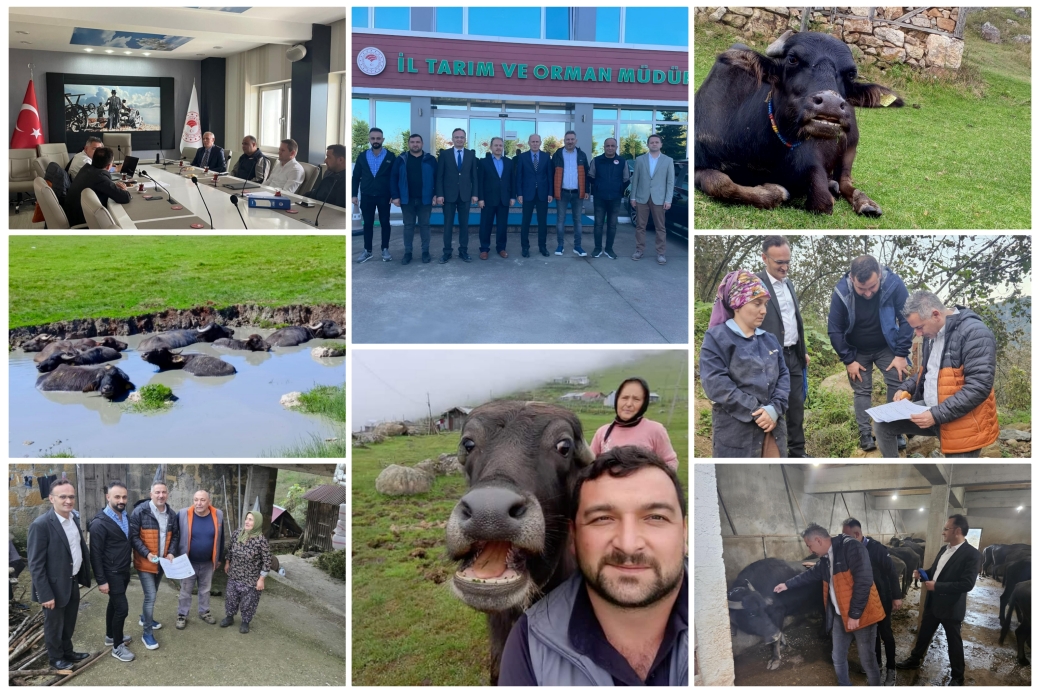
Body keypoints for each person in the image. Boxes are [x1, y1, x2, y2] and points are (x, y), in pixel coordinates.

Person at [499, 446, 688, 685]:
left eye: (655, 517)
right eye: (602, 519)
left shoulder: (720, 612)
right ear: (573, 537)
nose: (628, 545)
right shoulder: (530, 643)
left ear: (684, 532)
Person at [875, 291, 999, 458]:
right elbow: (928, 371)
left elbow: (979, 388)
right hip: (931, 410)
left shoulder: (974, 333)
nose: (918, 334)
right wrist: (906, 388)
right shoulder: (931, 334)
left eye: (919, 327)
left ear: (935, 315)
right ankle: (894, 471)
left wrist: (936, 415)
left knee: (955, 480)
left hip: (962, 423)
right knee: (882, 423)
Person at [774, 523, 885, 686]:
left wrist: (855, 614)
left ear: (818, 540)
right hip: (840, 616)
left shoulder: (851, 547)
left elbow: (864, 581)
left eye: (809, 546)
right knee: (838, 657)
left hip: (862, 616)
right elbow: (810, 575)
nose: (810, 551)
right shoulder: (826, 559)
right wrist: (787, 584)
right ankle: (844, 685)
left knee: (867, 659)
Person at [699, 270, 790, 457]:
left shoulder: (770, 340)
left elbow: (783, 375)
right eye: (757, 303)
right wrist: (756, 411)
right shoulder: (717, 339)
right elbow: (716, 383)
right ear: (737, 304)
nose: (764, 310)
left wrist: (774, 408)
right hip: (736, 432)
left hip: (772, 428)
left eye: (765, 304)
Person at [828, 255, 914, 452]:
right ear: (852, 278)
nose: (867, 293)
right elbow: (834, 330)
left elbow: (907, 319)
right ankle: (865, 433)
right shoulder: (841, 292)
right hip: (857, 349)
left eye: (872, 287)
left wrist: (901, 355)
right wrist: (848, 360)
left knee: (897, 377)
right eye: (861, 288)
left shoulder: (893, 283)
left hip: (886, 345)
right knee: (861, 388)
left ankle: (895, 429)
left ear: (879, 276)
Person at [896, 515, 982, 686]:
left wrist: (938, 586)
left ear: (957, 531)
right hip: (933, 603)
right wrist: (923, 574)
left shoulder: (972, 555)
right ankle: (914, 659)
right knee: (924, 634)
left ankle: (958, 676)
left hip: (950, 607)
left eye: (946, 529)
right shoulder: (944, 550)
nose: (943, 532)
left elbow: (967, 584)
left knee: (953, 642)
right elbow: (935, 571)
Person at [26, 480, 92, 670]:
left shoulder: (73, 519)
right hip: (52, 586)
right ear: (51, 498)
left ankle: (68, 652)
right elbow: (35, 565)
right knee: (54, 626)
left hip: (71, 581)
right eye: (62, 496)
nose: (68, 500)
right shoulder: (41, 525)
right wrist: (45, 594)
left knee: (69, 621)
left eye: (71, 496)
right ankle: (56, 659)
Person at [756, 236, 811, 458]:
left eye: (787, 261)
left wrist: (802, 350)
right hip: (767, 358)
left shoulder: (789, 284)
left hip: (793, 355)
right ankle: (774, 454)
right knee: (771, 406)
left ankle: (797, 452)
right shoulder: (756, 284)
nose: (785, 267)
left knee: (796, 405)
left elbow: (794, 319)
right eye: (779, 262)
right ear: (764, 258)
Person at [841, 518, 901, 685]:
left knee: (886, 634)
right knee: (872, 635)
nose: (844, 540)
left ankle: (891, 669)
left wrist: (897, 596)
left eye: (847, 536)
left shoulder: (877, 549)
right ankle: (878, 664)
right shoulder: (850, 550)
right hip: (865, 600)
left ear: (857, 534)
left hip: (882, 598)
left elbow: (892, 572)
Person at [88, 481, 135, 662]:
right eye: (117, 497)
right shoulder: (99, 524)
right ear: (108, 497)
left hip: (123, 571)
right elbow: (95, 555)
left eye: (124, 497)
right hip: (111, 573)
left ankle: (110, 635)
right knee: (122, 609)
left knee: (114, 605)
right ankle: (117, 646)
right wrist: (101, 580)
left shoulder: (125, 517)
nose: (121, 500)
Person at [129, 481, 178, 651]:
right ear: (151, 494)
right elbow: (133, 537)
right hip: (145, 562)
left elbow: (175, 536)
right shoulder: (140, 511)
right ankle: (147, 633)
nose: (160, 495)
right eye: (157, 492)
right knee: (150, 596)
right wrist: (147, 553)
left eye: (164, 492)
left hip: (162, 563)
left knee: (153, 593)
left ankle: (145, 617)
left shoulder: (171, 514)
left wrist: (171, 552)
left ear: (167, 494)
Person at [591, 377, 678, 469]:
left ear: (644, 403)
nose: (629, 404)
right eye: (624, 398)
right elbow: (589, 463)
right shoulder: (602, 432)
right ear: (617, 400)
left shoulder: (655, 430)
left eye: (636, 399)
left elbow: (670, 462)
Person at [175, 490, 225, 631]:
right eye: (196, 499)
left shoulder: (218, 514)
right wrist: (173, 554)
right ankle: (182, 614)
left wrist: (218, 557)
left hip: (208, 562)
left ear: (209, 502)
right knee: (185, 590)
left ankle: (204, 612)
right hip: (188, 561)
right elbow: (173, 534)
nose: (199, 503)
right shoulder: (183, 514)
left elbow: (221, 538)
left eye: (202, 500)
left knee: (205, 590)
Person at [221, 510, 272, 634]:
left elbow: (267, 562)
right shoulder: (238, 533)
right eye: (246, 519)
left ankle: (245, 621)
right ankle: (229, 617)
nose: (247, 522)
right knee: (231, 598)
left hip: (251, 579)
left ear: (257, 523)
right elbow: (230, 549)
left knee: (248, 602)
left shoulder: (261, 541)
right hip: (234, 574)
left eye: (251, 520)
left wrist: (261, 579)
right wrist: (227, 562)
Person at [390, 134, 437, 265]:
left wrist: (436, 194)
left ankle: (425, 252)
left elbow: (437, 178)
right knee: (408, 226)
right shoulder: (401, 159)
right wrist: (395, 196)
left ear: (422, 144)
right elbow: (393, 178)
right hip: (407, 199)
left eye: (417, 142)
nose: (415, 144)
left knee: (425, 226)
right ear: (408, 144)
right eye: (412, 142)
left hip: (425, 199)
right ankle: (408, 252)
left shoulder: (430, 159)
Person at [434, 127, 479, 264]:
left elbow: (474, 177)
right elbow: (439, 176)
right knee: (448, 224)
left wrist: (475, 194)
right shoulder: (445, 154)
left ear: (465, 139)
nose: (459, 139)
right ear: (452, 139)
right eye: (457, 137)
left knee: (464, 225)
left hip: (465, 195)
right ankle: (447, 252)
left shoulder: (471, 155)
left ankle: (463, 251)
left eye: (462, 137)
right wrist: (439, 194)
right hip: (448, 196)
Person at [351, 128, 396, 263]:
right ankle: (367, 251)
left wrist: (394, 194)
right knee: (368, 224)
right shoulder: (362, 156)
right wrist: (354, 195)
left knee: (385, 223)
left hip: (384, 196)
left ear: (382, 140)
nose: (375, 141)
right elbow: (356, 177)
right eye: (373, 138)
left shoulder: (390, 156)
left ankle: (385, 249)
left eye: (378, 138)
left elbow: (394, 177)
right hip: (367, 196)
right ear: (369, 140)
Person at [629, 134, 675, 265]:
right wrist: (633, 197)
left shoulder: (668, 160)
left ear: (661, 144)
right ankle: (639, 250)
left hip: (660, 199)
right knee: (640, 226)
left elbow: (670, 182)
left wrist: (668, 200)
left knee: (660, 227)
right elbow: (635, 180)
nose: (654, 144)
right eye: (651, 142)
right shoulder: (640, 160)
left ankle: (661, 253)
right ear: (648, 144)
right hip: (641, 198)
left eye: (656, 142)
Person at [63, 146, 132, 227]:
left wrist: (111, 186)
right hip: (81, 223)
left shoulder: (86, 169)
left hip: (72, 216)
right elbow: (125, 197)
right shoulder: (100, 178)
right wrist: (124, 190)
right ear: (108, 166)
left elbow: (102, 186)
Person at [588, 137, 629, 259]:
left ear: (616, 147)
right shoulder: (596, 160)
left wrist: (618, 188)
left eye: (612, 146)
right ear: (604, 147)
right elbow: (590, 176)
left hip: (615, 198)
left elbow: (626, 179)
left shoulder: (622, 161)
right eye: (607, 146)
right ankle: (597, 248)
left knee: (612, 225)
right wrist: (599, 187)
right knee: (598, 224)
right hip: (600, 197)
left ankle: (609, 249)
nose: (610, 148)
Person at [551, 130, 590, 256]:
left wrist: (587, 190)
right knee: (560, 220)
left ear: (576, 141)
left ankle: (577, 246)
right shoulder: (557, 154)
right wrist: (551, 192)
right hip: (562, 193)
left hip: (577, 193)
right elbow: (552, 174)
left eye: (572, 139)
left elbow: (587, 174)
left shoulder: (582, 155)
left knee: (577, 220)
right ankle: (560, 245)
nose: (570, 141)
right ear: (564, 140)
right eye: (567, 139)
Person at [514, 133, 553, 257]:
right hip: (527, 194)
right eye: (533, 142)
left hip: (542, 194)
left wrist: (550, 193)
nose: (535, 144)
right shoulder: (523, 157)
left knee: (542, 222)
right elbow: (518, 176)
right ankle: (525, 247)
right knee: (525, 222)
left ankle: (543, 247)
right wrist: (519, 193)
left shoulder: (546, 157)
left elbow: (550, 176)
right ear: (529, 143)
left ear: (540, 143)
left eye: (537, 142)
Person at [476, 137, 516, 260]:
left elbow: (512, 181)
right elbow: (480, 181)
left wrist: (513, 196)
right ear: (491, 147)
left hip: (504, 199)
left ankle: (501, 248)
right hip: (488, 199)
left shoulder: (509, 162)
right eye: (496, 145)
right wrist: (480, 198)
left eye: (500, 145)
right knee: (485, 225)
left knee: (502, 226)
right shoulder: (483, 162)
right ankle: (484, 249)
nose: (498, 147)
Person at [306, 144, 346, 208]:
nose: (325, 161)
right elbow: (316, 193)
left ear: (340, 160)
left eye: (328, 157)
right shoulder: (328, 173)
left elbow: (339, 208)